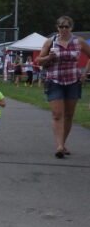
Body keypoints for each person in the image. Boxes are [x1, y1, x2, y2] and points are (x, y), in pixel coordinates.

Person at [37, 16, 90, 159]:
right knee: (57, 114)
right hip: (54, 80)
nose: (64, 29)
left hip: (73, 81)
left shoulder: (78, 41)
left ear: (71, 28)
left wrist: (85, 72)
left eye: (67, 26)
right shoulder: (50, 42)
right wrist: (48, 58)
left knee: (69, 115)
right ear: (57, 28)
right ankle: (59, 146)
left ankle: (63, 143)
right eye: (61, 26)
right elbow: (39, 61)